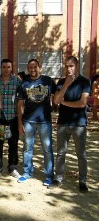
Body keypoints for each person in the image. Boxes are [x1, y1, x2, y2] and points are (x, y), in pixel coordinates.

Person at [48, 56, 91, 192]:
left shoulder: (84, 82)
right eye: (66, 66)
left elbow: (82, 103)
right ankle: (58, 178)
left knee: (81, 154)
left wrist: (65, 103)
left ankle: (82, 181)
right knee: (61, 152)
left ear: (76, 65)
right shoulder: (61, 82)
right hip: (63, 123)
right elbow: (55, 101)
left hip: (79, 124)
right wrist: (66, 84)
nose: (69, 69)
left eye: (71, 66)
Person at [17, 59, 56, 186]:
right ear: (27, 69)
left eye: (35, 67)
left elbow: (58, 95)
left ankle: (49, 175)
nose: (33, 70)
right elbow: (20, 104)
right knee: (27, 148)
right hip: (28, 121)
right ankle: (27, 172)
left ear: (40, 67)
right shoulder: (24, 83)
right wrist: (19, 122)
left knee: (47, 149)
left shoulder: (48, 81)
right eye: (30, 68)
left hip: (45, 121)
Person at [0, 59, 21, 179]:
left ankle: (12, 167)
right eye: (4, 67)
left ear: (11, 68)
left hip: (12, 118)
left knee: (13, 144)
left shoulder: (17, 82)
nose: (6, 69)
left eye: (8, 67)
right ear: (0, 68)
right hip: (0, 119)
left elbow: (20, 101)